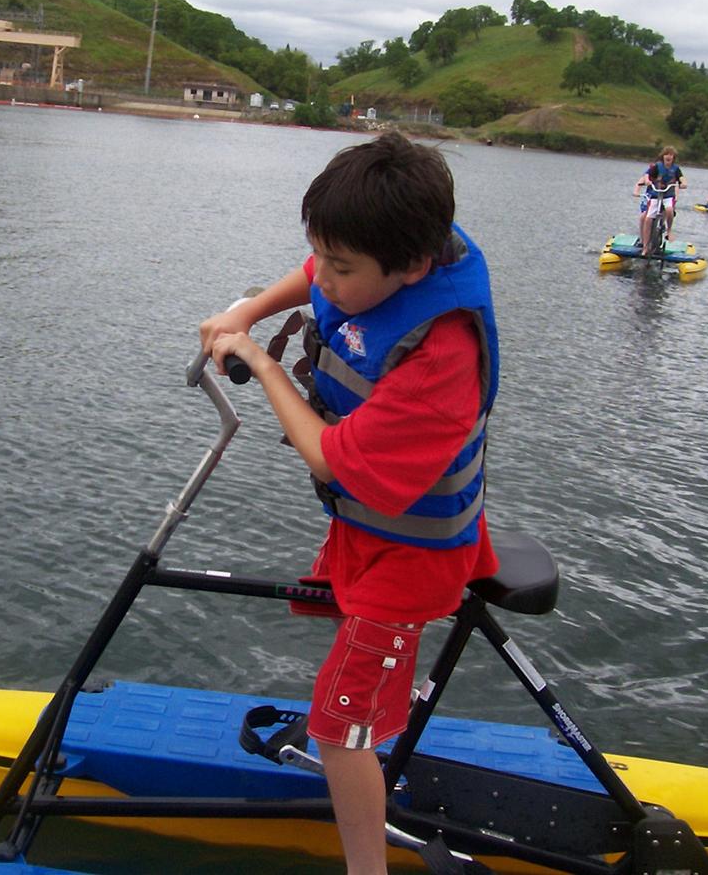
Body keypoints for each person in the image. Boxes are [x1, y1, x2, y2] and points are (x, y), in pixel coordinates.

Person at [200, 132, 500, 875]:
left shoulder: (439, 356)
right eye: (322, 256)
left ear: (414, 267)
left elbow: (333, 458)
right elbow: (316, 269)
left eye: (343, 268)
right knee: (344, 669)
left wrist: (261, 360)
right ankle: (365, 743)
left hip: (415, 557)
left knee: (337, 733)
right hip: (369, 531)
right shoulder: (394, 243)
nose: (324, 277)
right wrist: (248, 311)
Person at [634, 145, 685, 255]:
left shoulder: (676, 169)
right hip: (655, 195)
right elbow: (647, 175)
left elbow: (681, 178)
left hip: (668, 196)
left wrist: (683, 183)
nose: (668, 157)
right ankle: (645, 246)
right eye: (666, 154)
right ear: (663, 156)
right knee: (648, 219)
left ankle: (669, 231)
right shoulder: (657, 167)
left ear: (674, 157)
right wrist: (647, 181)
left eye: (671, 155)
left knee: (669, 210)